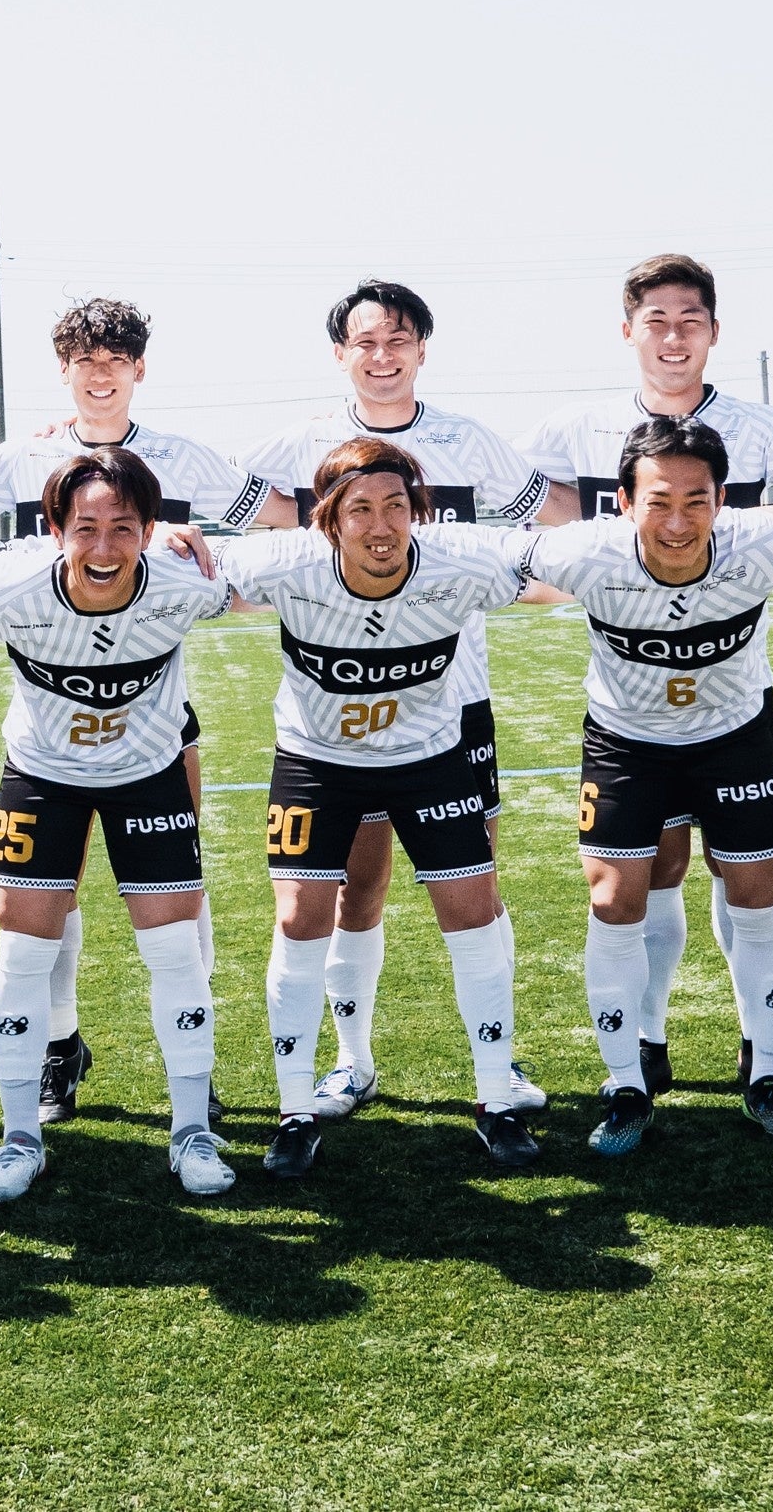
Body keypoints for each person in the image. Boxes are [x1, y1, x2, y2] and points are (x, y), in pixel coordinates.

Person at [517, 254, 773, 1099]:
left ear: (714, 331)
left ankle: (763, 1049)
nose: (673, 337)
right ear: (627, 331)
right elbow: (503, 493)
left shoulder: (758, 425)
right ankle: (644, 1047)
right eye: (656, 321)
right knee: (655, 870)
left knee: (740, 871)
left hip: (730, 692)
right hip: (629, 696)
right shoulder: (577, 428)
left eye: (690, 321)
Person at [238, 279, 572, 1126]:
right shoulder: (295, 444)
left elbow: (559, 519)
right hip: (337, 708)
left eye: (397, 340)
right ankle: (351, 1060)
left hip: (451, 699)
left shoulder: (468, 440)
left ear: (422, 349)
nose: (381, 355)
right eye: (365, 341)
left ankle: (497, 1059)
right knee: (355, 885)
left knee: (474, 883)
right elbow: (195, 504)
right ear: (339, 354)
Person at [0, 297, 295, 1126]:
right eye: (85, 360)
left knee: (177, 888)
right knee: (53, 889)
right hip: (52, 708)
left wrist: (197, 540)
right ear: (63, 370)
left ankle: (192, 1067)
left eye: (116, 360)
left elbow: (284, 521)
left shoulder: (182, 456)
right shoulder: (17, 459)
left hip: (153, 709)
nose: (100, 374)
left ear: (139, 368)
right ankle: (57, 1043)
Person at [218, 438, 538, 1176]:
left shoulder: (461, 562)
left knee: (473, 910)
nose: (381, 525)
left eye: (396, 505)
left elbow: (553, 555)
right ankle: (295, 1111)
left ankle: (496, 1100)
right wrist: (173, 535)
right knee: (300, 919)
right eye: (359, 509)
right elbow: (196, 565)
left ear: (417, 511)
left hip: (429, 760)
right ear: (328, 519)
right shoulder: (282, 564)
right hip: (317, 763)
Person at [0, 447, 237, 1201]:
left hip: (148, 776)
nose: (103, 547)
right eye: (85, 528)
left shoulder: (187, 581)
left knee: (175, 952)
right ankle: (19, 1138)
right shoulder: (8, 587)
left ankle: (192, 1130)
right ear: (55, 530)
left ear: (150, 531)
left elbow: (280, 568)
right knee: (22, 952)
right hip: (44, 777)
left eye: (123, 527)